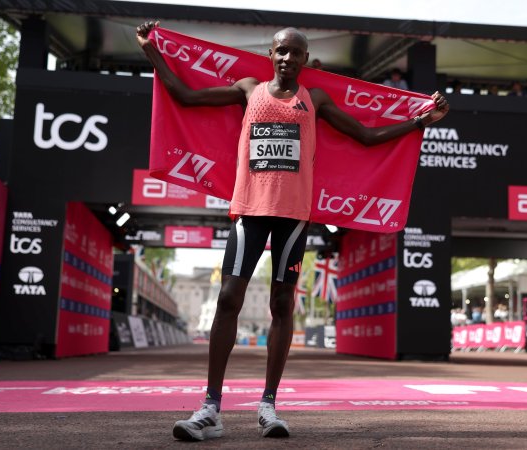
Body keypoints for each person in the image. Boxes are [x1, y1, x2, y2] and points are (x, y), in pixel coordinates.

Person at [136, 21, 449, 441]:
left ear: (305, 60)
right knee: (228, 297)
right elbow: (185, 96)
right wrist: (151, 50)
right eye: (281, 50)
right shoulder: (248, 89)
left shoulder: (314, 99)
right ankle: (210, 407)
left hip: (294, 215)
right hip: (250, 210)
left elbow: (366, 136)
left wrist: (420, 122)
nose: (287, 57)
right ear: (270, 54)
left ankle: (268, 405)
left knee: (282, 303)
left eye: (295, 52)